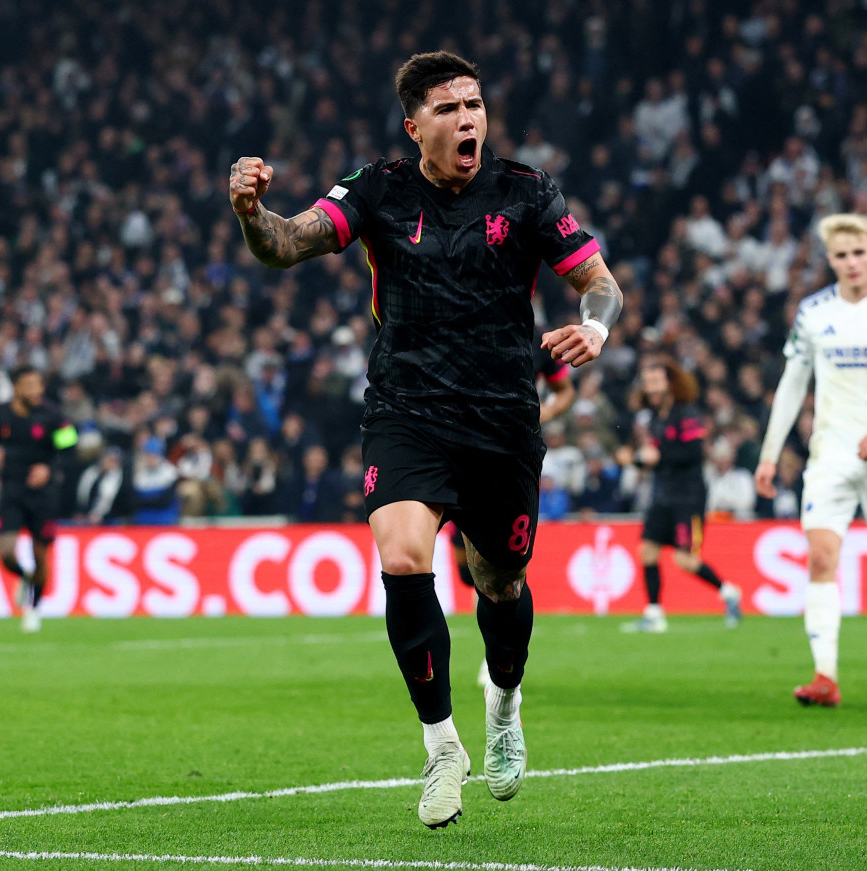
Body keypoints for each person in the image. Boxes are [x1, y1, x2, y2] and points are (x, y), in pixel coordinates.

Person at [228, 51, 623, 829]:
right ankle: (442, 744)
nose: (468, 118)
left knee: (500, 582)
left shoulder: (527, 190)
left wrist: (597, 329)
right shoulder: (377, 189)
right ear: (416, 127)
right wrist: (249, 212)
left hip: (503, 418)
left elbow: (600, 282)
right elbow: (285, 243)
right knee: (404, 557)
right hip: (407, 410)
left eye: (474, 104)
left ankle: (503, 701)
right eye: (448, 109)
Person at [754, 214, 867, 708]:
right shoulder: (813, 312)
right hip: (830, 452)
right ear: (830, 259)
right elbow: (792, 385)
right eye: (841, 255)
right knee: (820, 558)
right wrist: (770, 454)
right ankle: (825, 676)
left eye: (859, 252)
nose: (851, 262)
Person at [468, 336, 575, 689]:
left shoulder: (540, 340)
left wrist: (542, 412)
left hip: (513, 451)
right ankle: (497, 654)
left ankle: (495, 660)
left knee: (497, 567)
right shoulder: (461, 323)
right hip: (461, 446)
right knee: (468, 566)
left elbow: (565, 390)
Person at [619, 355, 742, 633]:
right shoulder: (652, 418)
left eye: (655, 382)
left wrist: (655, 455)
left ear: (670, 385)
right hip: (662, 495)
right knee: (647, 551)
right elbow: (654, 460)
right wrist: (634, 460)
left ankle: (729, 592)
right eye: (647, 383)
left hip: (688, 496)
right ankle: (653, 614)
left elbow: (694, 452)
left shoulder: (687, 414)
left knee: (684, 560)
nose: (650, 388)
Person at [0, 366, 79, 632]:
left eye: (39, 384)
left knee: (40, 553)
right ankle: (24, 578)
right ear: (16, 388)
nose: (37, 390)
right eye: (30, 385)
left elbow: (71, 450)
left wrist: (49, 469)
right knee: (6, 551)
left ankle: (34, 609)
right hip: (11, 490)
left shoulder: (53, 417)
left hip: (43, 495)